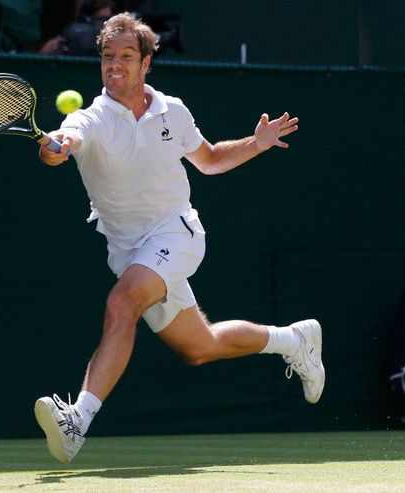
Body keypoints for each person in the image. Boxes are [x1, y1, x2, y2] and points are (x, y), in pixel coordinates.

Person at [34, 12, 325, 464]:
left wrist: (257, 142)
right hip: (131, 252)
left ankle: (78, 421)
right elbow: (66, 142)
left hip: (177, 234)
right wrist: (57, 147)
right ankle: (293, 340)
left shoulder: (175, 110)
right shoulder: (90, 119)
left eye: (126, 56)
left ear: (146, 61)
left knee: (121, 303)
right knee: (199, 347)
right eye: (107, 56)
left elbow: (208, 160)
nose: (115, 65)